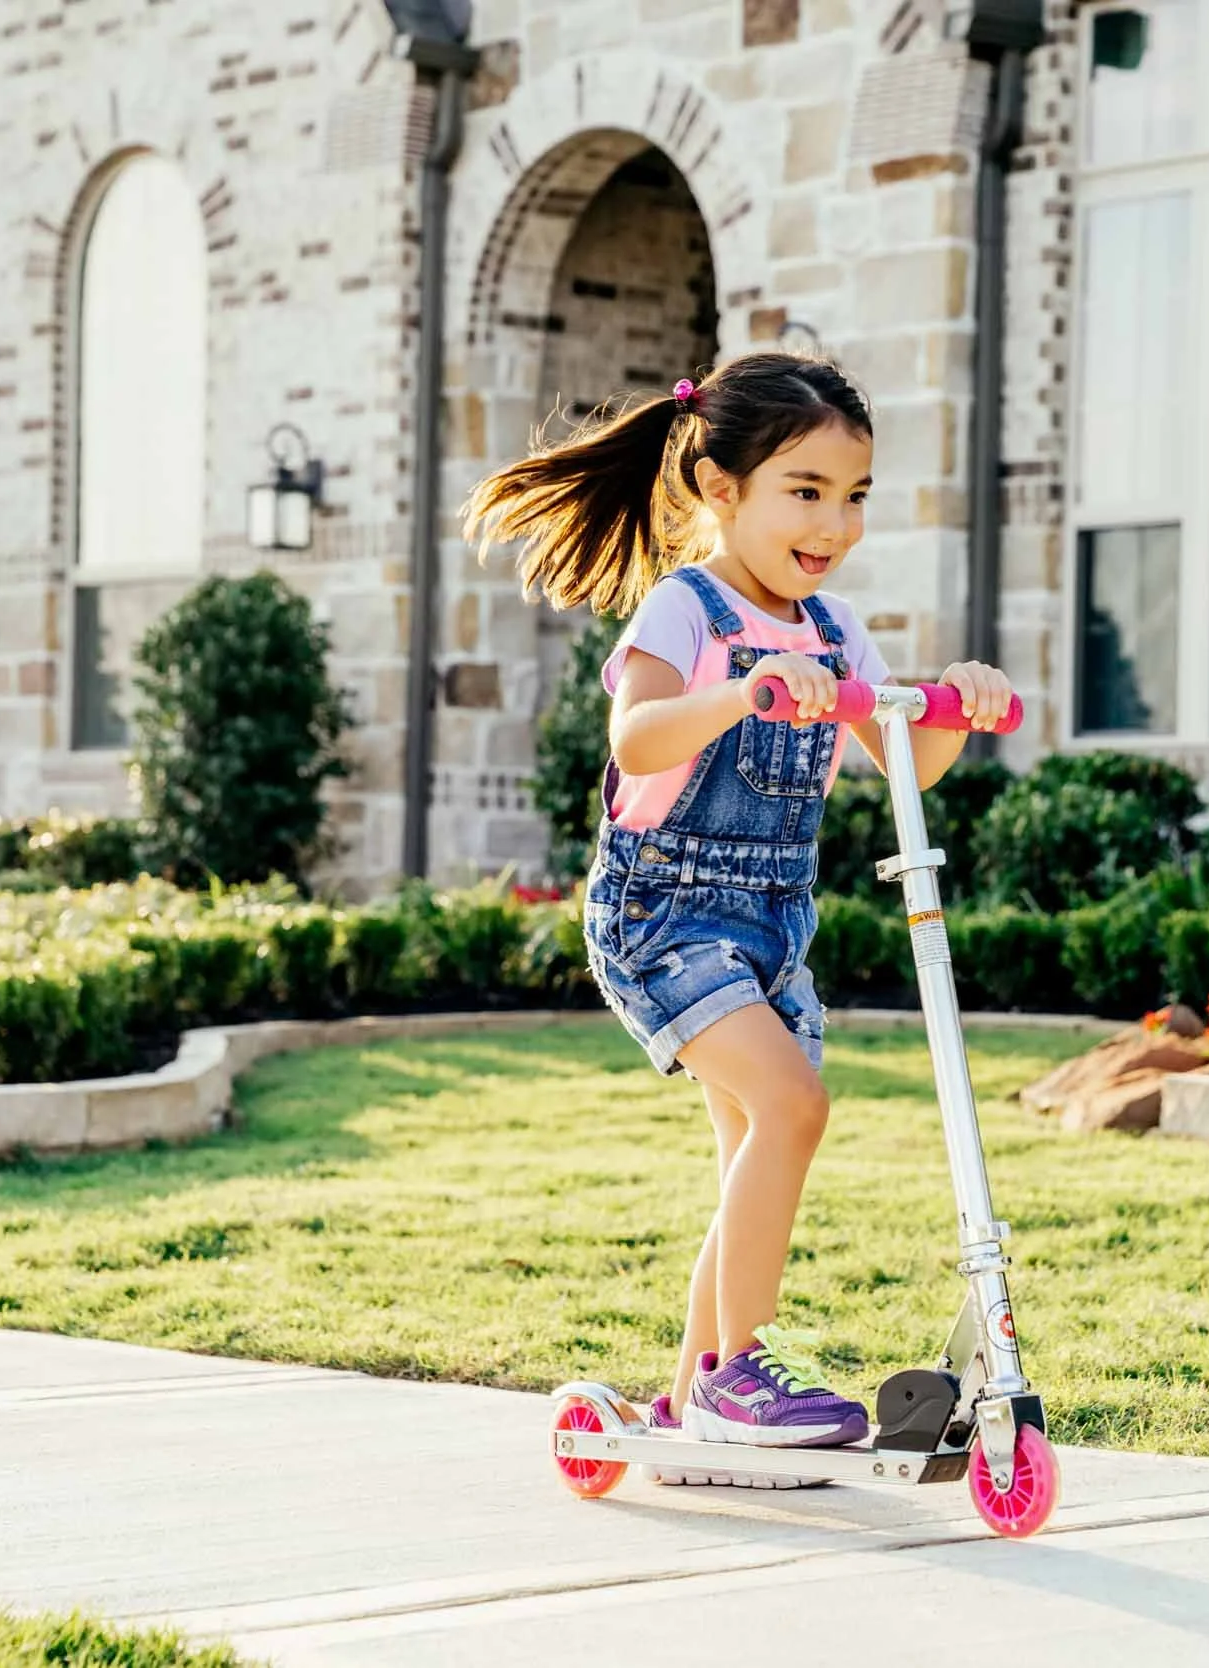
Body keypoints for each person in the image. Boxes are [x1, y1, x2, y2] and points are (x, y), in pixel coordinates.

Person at [463, 352, 1014, 1457]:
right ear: (722, 489)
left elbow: (912, 758)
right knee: (794, 1109)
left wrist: (956, 701)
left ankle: (686, 1399)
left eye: (852, 496)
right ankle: (739, 1368)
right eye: (804, 492)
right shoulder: (687, 607)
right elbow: (637, 737)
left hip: (770, 922)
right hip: (661, 914)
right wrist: (745, 691)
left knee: (747, 1152)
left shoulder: (832, 626)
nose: (834, 523)